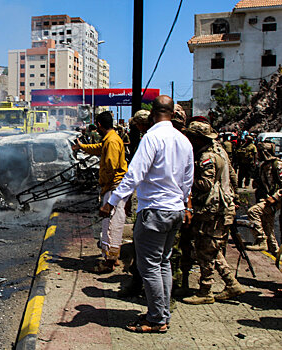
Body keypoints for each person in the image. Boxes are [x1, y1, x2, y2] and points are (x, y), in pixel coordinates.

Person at [102, 95, 193, 333]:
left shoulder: (151, 138)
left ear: (153, 113)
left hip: (153, 210)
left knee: (150, 266)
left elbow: (134, 175)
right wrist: (184, 204)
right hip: (175, 210)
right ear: (173, 114)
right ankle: (162, 313)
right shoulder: (184, 141)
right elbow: (187, 180)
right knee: (163, 263)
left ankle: (156, 319)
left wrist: (112, 201)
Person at [182, 121, 245, 304]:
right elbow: (232, 176)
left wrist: (186, 178)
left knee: (205, 249)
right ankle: (231, 283)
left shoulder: (206, 157)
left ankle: (205, 290)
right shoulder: (220, 152)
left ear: (197, 138)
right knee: (211, 247)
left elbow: (205, 184)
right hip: (221, 206)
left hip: (213, 210)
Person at [72, 111, 128, 273]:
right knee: (114, 222)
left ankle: (109, 262)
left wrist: (106, 187)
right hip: (115, 186)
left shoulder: (111, 141)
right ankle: (113, 257)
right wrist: (82, 147)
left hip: (113, 187)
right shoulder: (111, 139)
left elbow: (110, 165)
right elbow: (99, 149)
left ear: (99, 125)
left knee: (110, 224)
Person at [247, 142, 282, 253]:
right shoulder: (263, 165)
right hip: (266, 198)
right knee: (268, 226)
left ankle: (261, 240)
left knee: (253, 212)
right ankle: (275, 251)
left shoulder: (278, 165)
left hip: (276, 200)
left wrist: (275, 197)